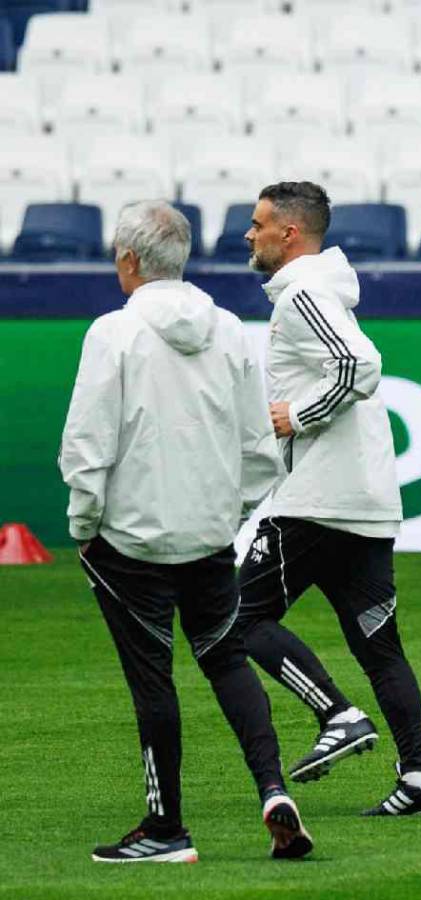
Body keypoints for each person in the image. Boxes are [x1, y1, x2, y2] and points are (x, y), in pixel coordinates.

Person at [59, 200, 312, 862]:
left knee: (154, 682)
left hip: (130, 545)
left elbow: (87, 446)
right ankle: (272, 788)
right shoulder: (229, 330)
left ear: (128, 261)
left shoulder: (112, 333)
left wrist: (84, 526)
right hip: (206, 539)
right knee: (226, 661)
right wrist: (222, 515)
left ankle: (166, 828)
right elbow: (261, 452)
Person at [235, 181, 421, 816]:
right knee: (380, 648)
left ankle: (338, 713)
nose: (249, 235)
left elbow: (360, 366)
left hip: (316, 501)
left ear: (289, 234)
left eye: (258, 224)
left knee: (234, 617)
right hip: (364, 501)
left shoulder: (302, 293)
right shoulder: (322, 289)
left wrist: (295, 415)